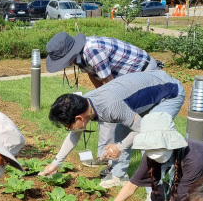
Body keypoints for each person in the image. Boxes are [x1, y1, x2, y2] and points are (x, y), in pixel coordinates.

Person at [40, 70, 185, 189]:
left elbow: (143, 129)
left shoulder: (111, 107)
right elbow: (75, 134)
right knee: (121, 129)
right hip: (151, 86)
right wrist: (56, 163)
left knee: (150, 138)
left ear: (79, 118)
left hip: (170, 92)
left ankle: (154, 192)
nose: (69, 130)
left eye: (68, 126)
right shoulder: (86, 103)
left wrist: (120, 147)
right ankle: (119, 175)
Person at [45, 32, 164, 173]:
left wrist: (106, 105)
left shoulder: (92, 52)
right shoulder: (80, 56)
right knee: (109, 116)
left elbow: (111, 87)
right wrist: (97, 103)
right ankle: (113, 165)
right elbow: (94, 76)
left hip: (144, 73)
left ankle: (149, 174)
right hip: (123, 79)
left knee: (137, 125)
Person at [91, 112, 203, 201]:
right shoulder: (151, 154)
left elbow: (177, 198)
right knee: (157, 194)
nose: (154, 153)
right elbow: (133, 183)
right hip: (196, 182)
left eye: (158, 147)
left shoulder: (194, 158)